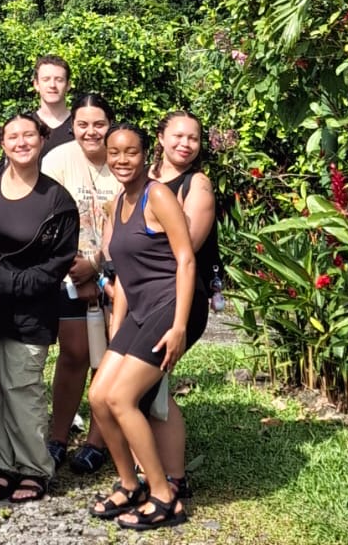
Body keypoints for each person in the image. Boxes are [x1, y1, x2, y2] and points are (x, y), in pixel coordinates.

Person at [87, 123, 205, 531]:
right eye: (114, 152)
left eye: (131, 152)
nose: (122, 160)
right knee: (99, 396)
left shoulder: (159, 195)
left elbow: (186, 259)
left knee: (122, 398)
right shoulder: (118, 201)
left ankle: (163, 494)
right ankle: (128, 483)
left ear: (144, 154)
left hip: (171, 306)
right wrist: (115, 333)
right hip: (139, 309)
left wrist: (179, 326)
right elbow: (123, 276)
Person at [0, 114, 78, 506]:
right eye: (13, 136)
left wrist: (7, 283)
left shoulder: (58, 201)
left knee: (21, 388)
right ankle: (2, 465)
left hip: (30, 309)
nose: (21, 142)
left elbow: (56, 266)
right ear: (2, 142)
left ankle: (34, 469)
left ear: (43, 140)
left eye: (29, 135)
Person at [41, 93, 117, 473]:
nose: (91, 132)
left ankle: (97, 442)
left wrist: (98, 267)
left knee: (108, 361)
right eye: (83, 124)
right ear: (73, 126)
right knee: (74, 354)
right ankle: (57, 437)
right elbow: (47, 220)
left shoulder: (122, 156)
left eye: (99, 124)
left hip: (116, 276)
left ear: (110, 125)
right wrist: (77, 268)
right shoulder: (57, 160)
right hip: (68, 272)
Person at [149, 110, 218, 501]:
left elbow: (185, 250)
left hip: (179, 300)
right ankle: (155, 468)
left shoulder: (198, 185)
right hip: (142, 297)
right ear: (161, 136)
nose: (185, 144)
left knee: (150, 385)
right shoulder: (146, 177)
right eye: (177, 135)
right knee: (148, 387)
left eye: (193, 138)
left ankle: (173, 477)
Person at [33, 55, 74, 153]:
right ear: (36, 85)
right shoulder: (24, 125)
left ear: (68, 85)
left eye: (59, 80)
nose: (52, 85)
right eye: (46, 79)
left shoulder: (81, 125)